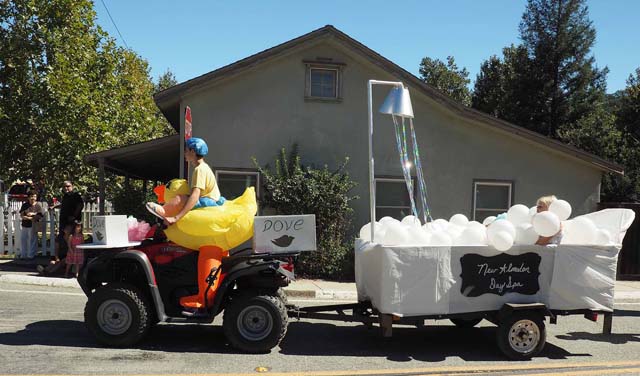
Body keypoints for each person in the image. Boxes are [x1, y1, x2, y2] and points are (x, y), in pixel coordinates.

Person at [146, 137, 225, 223]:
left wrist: (177, 218)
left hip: (207, 204)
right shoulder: (205, 167)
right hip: (211, 203)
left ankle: (164, 211)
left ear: (193, 152)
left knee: (182, 198)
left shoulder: (199, 169)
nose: (185, 153)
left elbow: (195, 195)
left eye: (186, 150)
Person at [51, 181, 84, 264]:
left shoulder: (76, 195)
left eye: (68, 186)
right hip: (64, 222)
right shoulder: (65, 196)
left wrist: (74, 216)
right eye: (64, 186)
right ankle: (59, 258)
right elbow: (64, 205)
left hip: (72, 222)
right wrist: (54, 206)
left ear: (72, 186)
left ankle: (73, 258)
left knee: (71, 240)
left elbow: (80, 205)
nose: (66, 188)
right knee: (60, 239)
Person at [18, 191, 44, 261]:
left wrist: (32, 214)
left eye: (35, 196)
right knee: (23, 239)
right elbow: (22, 215)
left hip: (33, 225)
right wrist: (28, 217)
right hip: (25, 224)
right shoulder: (25, 205)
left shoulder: (38, 205)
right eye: (32, 196)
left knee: (32, 240)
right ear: (28, 197)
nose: (33, 198)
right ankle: (23, 255)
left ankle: (31, 255)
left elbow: (40, 215)